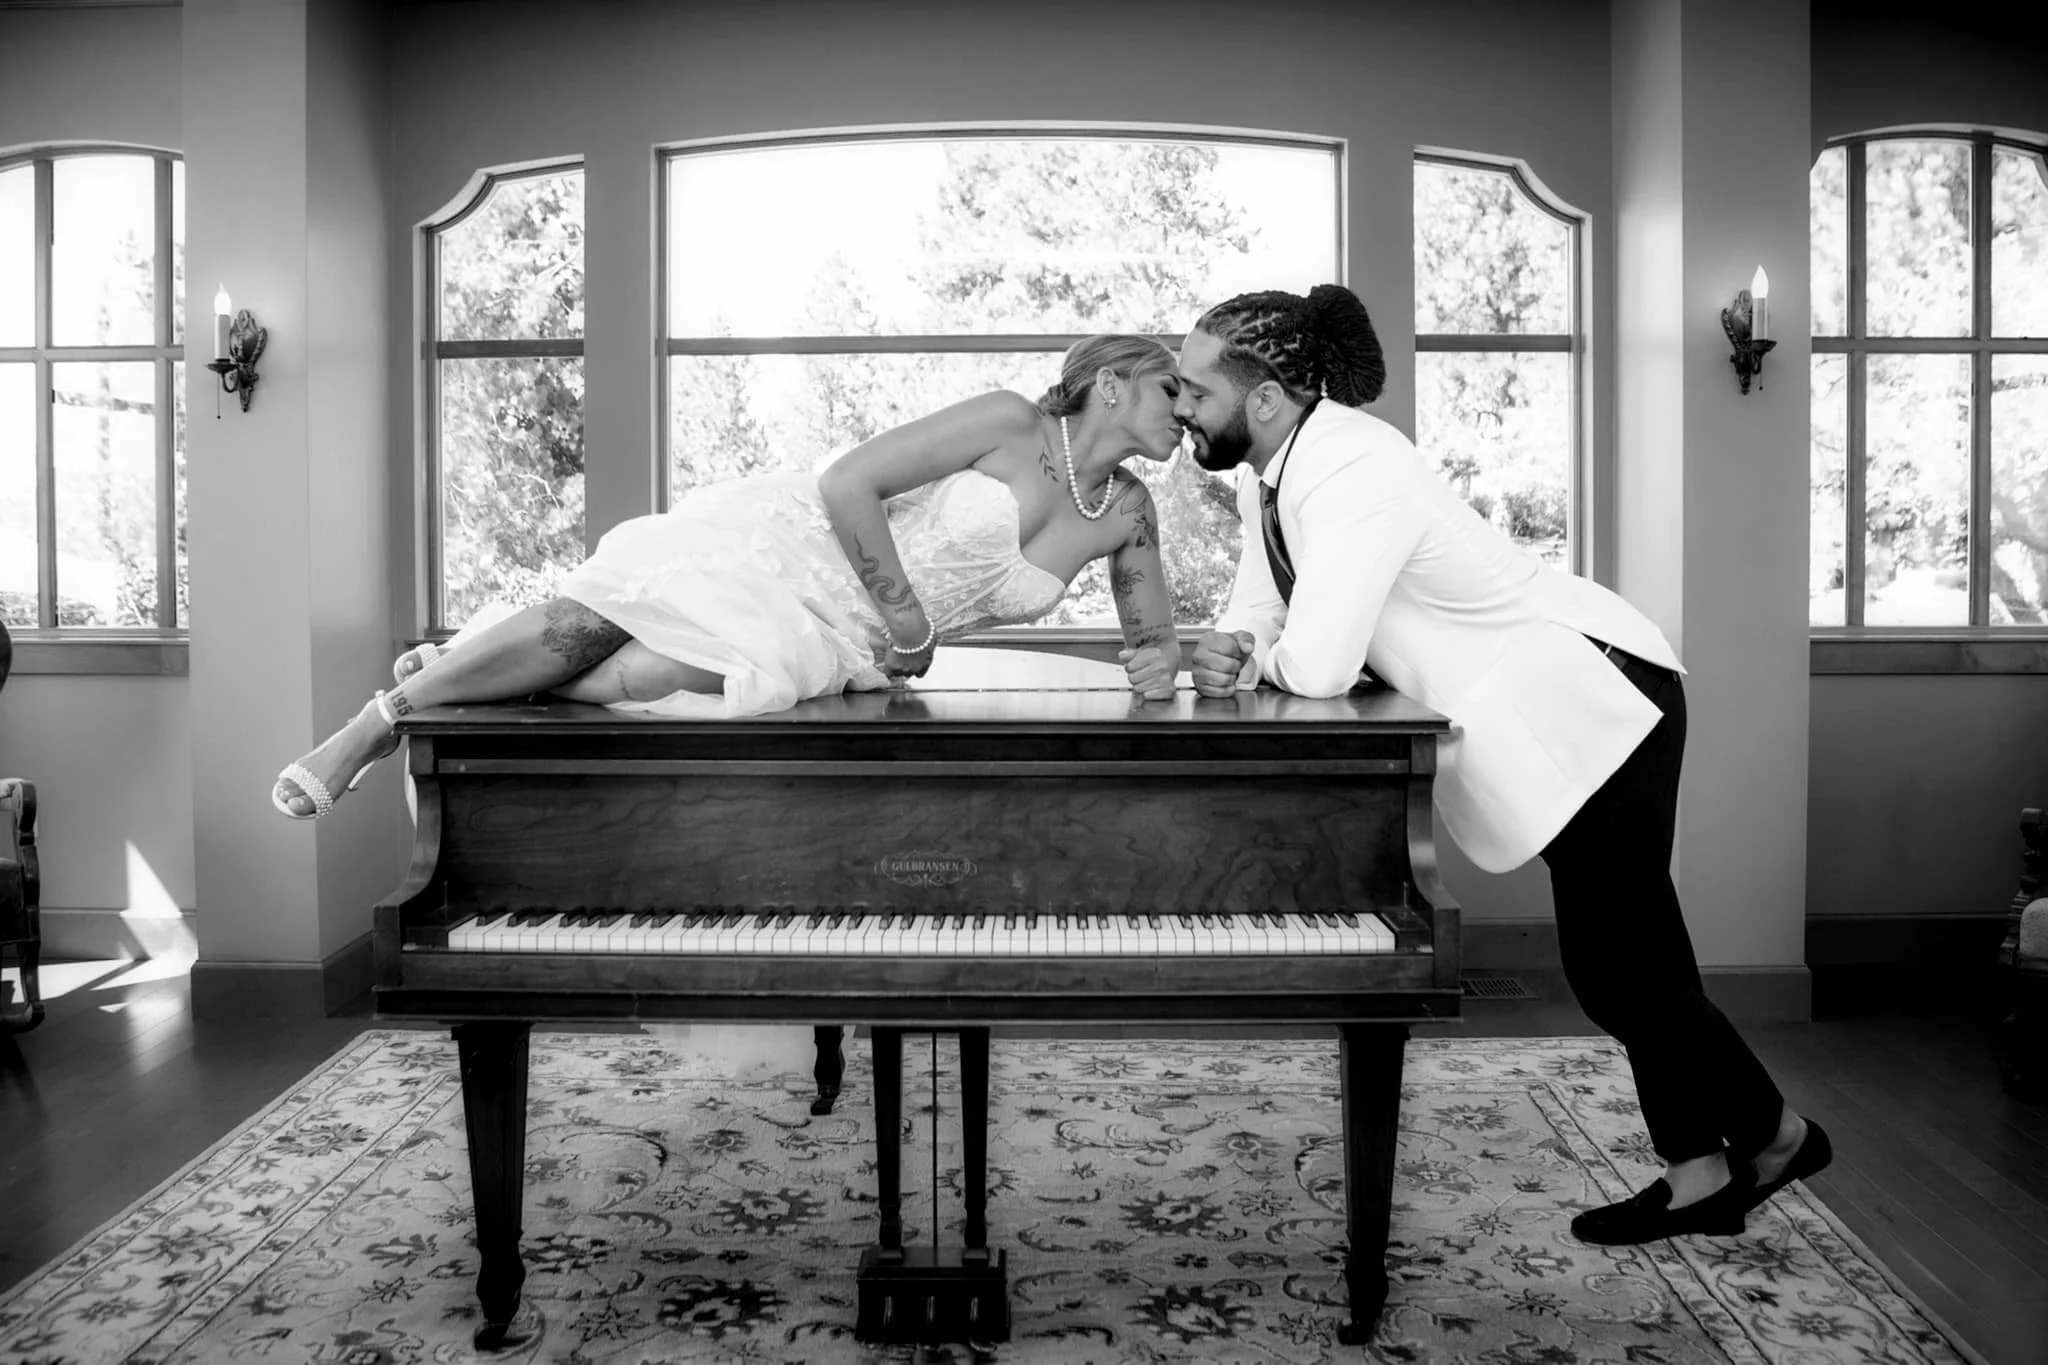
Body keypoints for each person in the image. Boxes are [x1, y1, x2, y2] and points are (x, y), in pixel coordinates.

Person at [1173, 285, 1831, 1246]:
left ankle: (1773, 1138)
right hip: (1552, 712)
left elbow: (1313, 664)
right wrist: (1240, 639)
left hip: (1595, 697)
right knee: (1629, 963)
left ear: (1264, 398)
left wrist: (1257, 660)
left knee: (1622, 966)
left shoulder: (1355, 468)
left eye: (1195, 389)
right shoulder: (1270, 476)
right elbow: (1262, 603)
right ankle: (1710, 1164)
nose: (1182, 405)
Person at [271, 334, 1186, 819]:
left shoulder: (1131, 513)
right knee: (602, 620)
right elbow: (847, 481)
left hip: (843, 641)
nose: (1183, 411)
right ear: (1110, 384)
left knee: (659, 673)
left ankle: (461, 663)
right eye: (1168, 389)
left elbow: (1152, 647)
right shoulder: (1009, 420)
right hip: (797, 546)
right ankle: (378, 722)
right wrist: (910, 619)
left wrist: (1183, 659)